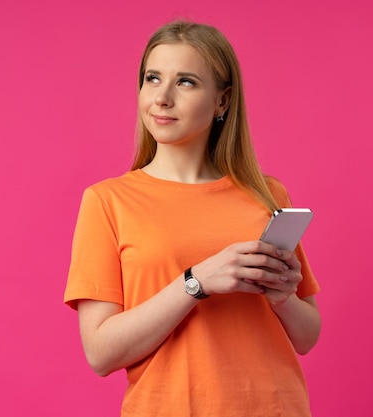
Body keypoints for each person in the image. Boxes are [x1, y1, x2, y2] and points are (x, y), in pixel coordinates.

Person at [64, 20, 321, 417]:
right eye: (152, 78)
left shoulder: (267, 194)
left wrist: (283, 297)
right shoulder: (107, 201)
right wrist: (196, 281)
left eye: (185, 82)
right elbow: (100, 353)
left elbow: (307, 336)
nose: (161, 98)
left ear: (222, 101)